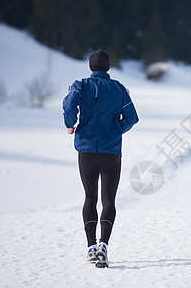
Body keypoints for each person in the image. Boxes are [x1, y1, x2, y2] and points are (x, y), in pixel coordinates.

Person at [62, 49, 139, 268]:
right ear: (108, 67)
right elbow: (132, 117)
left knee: (90, 198)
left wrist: (70, 124)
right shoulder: (119, 88)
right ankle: (103, 245)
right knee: (109, 200)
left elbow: (69, 104)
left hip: (86, 149)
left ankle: (90, 248)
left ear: (90, 66)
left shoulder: (81, 85)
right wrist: (116, 129)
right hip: (111, 151)